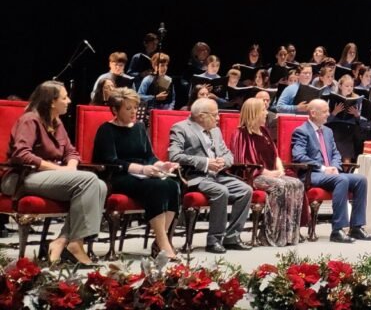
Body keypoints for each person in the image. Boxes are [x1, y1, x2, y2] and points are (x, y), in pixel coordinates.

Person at [4, 80, 106, 266]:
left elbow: (71, 152)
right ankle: (74, 244)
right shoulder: (30, 120)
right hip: (23, 177)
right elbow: (22, 154)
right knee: (90, 180)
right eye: (64, 98)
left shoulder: (56, 122)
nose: (69, 101)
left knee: (100, 185)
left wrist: (71, 166)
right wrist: (61, 169)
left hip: (50, 176)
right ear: (52, 101)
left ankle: (63, 241)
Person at [93, 88, 181, 260]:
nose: (134, 112)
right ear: (115, 110)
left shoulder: (139, 127)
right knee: (157, 186)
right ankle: (164, 245)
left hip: (144, 173)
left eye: (135, 107)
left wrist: (162, 165)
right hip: (119, 176)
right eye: (128, 108)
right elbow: (111, 161)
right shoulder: (106, 129)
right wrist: (141, 169)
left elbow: (149, 156)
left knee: (172, 184)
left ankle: (160, 241)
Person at [167, 98, 253, 253]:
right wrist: (206, 162)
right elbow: (174, 156)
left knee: (245, 190)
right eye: (215, 115)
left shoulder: (215, 130)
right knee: (221, 191)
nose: (218, 118)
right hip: (196, 176)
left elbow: (228, 154)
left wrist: (224, 161)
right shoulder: (181, 128)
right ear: (201, 116)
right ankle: (214, 240)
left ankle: (232, 237)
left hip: (218, 175)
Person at [291, 99, 371, 244]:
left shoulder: (328, 131)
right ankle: (337, 230)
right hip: (312, 174)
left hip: (330, 173)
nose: (328, 114)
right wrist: (324, 168)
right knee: (342, 179)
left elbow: (335, 153)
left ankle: (356, 227)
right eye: (324, 112)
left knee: (361, 179)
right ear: (313, 113)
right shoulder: (301, 131)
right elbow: (299, 156)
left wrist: (335, 167)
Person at [228, 97, 307, 246]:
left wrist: (280, 169)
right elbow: (243, 162)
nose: (266, 113)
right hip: (252, 176)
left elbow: (275, 154)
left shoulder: (264, 131)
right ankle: (271, 233)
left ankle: (289, 233)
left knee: (297, 184)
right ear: (254, 112)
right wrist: (267, 173)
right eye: (263, 110)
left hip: (272, 173)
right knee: (279, 186)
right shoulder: (240, 133)